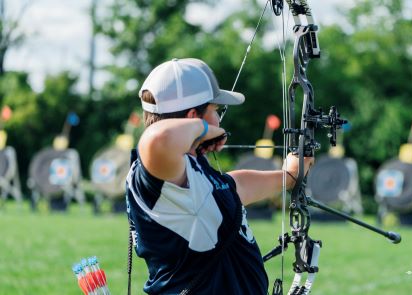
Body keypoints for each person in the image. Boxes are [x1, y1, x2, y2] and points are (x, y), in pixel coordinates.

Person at [125, 58, 314, 294]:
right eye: (216, 110)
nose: (219, 120)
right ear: (194, 116)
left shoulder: (188, 171)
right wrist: (207, 130)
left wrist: (289, 176)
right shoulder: (154, 175)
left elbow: (233, 188)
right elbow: (158, 139)